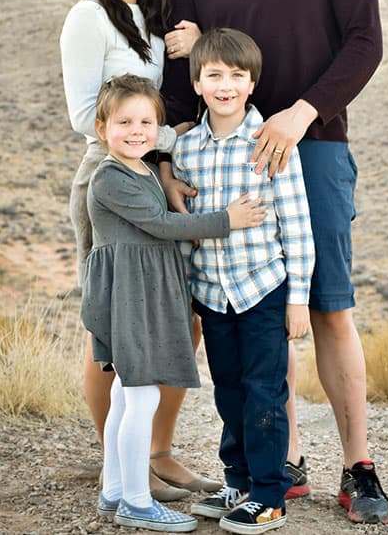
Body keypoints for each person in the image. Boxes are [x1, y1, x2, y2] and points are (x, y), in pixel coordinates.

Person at [161, 0, 388, 524]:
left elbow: (365, 41)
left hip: (313, 150)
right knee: (256, 311)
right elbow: (181, 87)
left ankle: (359, 468)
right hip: (229, 166)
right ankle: (279, 465)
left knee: (326, 306)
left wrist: (301, 113)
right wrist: (171, 170)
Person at [60, 0, 218, 500]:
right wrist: (166, 139)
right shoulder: (89, 18)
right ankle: (121, 469)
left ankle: (157, 452)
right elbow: (83, 116)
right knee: (117, 326)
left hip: (155, 173)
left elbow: (188, 88)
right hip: (109, 176)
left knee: (179, 318)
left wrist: (196, 46)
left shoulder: (157, 20)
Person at [83, 74, 267, 530]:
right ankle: (137, 503)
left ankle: (113, 491)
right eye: (124, 121)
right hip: (130, 296)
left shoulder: (142, 168)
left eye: (147, 121)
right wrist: (228, 219)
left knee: (128, 396)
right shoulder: (109, 177)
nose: (137, 130)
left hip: (146, 291)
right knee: (142, 395)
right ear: (102, 128)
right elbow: (162, 225)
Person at [170, 28, 315, 533]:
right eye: (214, 75)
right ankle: (240, 481)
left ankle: (270, 494)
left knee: (264, 390)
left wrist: (299, 300)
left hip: (263, 290)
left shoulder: (271, 143)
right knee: (228, 389)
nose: (225, 85)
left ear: (252, 84)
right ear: (197, 83)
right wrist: (187, 291)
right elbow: (187, 228)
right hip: (212, 293)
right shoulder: (187, 149)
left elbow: (296, 227)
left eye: (237, 76)